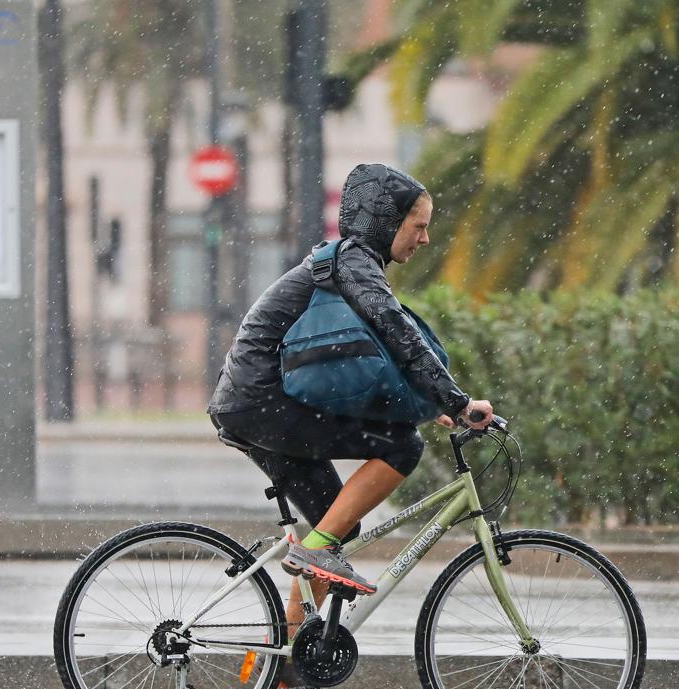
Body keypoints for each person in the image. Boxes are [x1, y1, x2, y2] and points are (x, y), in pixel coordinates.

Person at [207, 163, 495, 632]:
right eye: (418, 226)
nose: (424, 240)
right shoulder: (353, 260)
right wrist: (458, 402)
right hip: (262, 403)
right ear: (387, 221)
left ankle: (287, 665)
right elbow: (398, 333)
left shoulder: (346, 262)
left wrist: (436, 405)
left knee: (337, 526)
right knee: (402, 447)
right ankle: (314, 555)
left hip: (252, 405)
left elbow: (363, 362)